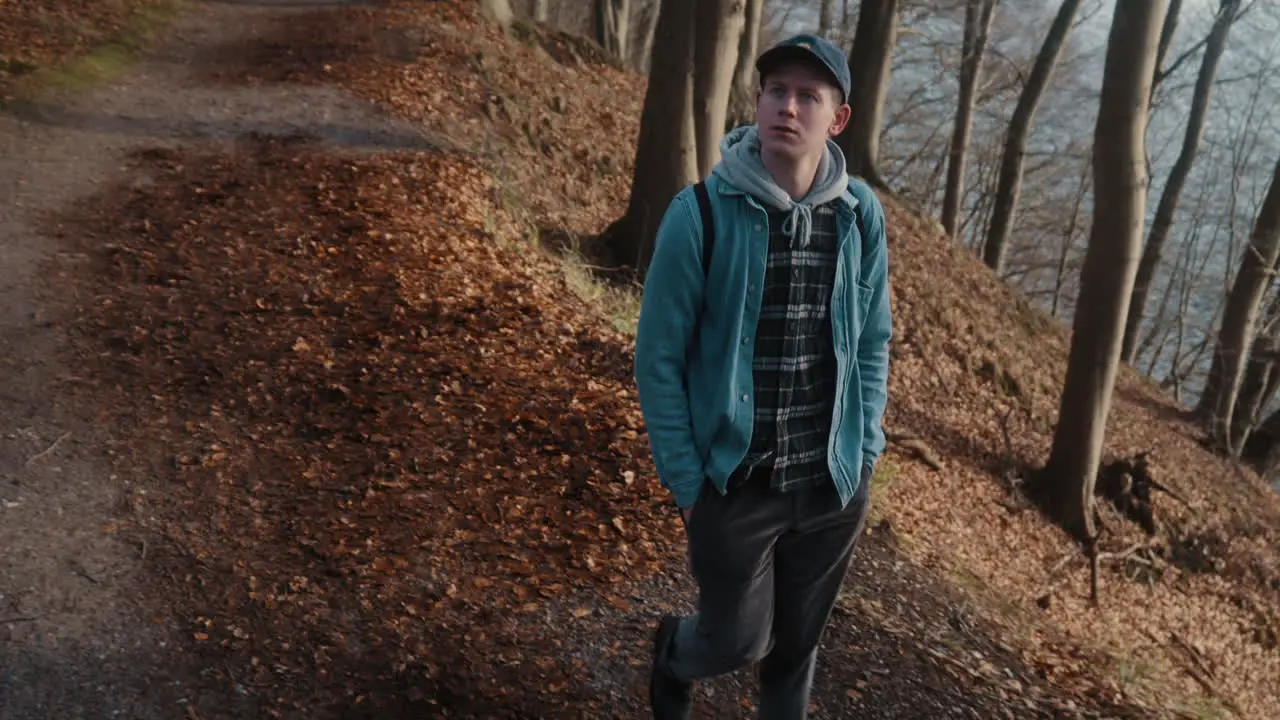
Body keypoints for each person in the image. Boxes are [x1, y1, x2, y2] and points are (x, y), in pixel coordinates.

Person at [632, 33, 893, 720]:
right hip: (734, 486)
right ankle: (673, 655)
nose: (788, 106)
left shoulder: (861, 219)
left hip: (831, 482)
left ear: (837, 119)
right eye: (777, 90)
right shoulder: (700, 216)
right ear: (759, 100)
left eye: (809, 96)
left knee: (794, 653)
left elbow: (872, 340)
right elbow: (657, 358)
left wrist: (864, 448)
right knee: (736, 640)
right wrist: (688, 484)